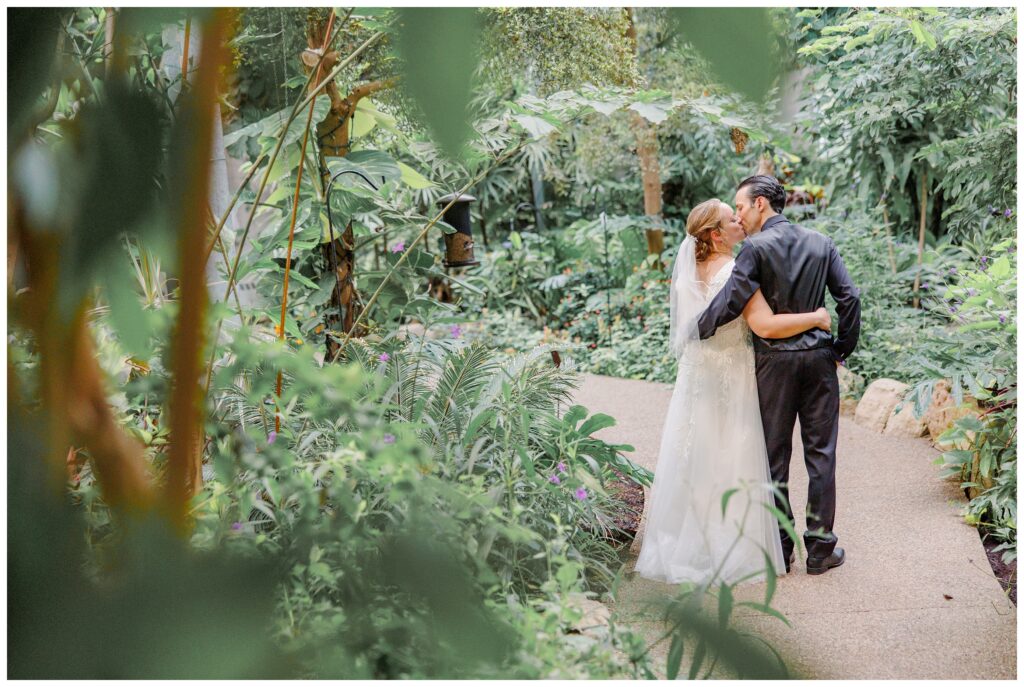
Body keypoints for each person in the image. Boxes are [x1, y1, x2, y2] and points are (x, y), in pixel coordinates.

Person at [634, 198, 831, 586]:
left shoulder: (687, 272)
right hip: (731, 373)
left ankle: (686, 543)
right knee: (732, 452)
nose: (739, 221)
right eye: (731, 219)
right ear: (715, 233)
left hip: (697, 373)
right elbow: (765, 326)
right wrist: (818, 317)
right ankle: (730, 548)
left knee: (695, 453)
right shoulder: (733, 271)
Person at [698, 175, 861, 576]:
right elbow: (849, 297)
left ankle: (781, 547)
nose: (737, 214)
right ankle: (821, 550)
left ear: (760, 205)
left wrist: (696, 331)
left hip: (774, 365)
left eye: (740, 206)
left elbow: (732, 299)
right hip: (819, 361)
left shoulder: (755, 248)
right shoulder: (821, 243)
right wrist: (841, 347)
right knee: (821, 454)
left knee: (774, 457)